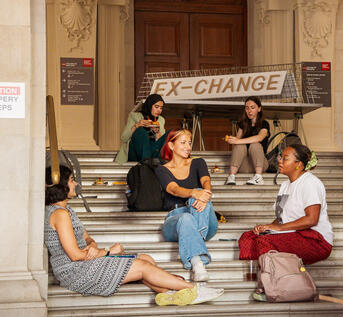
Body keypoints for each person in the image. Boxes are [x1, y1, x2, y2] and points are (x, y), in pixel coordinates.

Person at [45, 165, 222, 306]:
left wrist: (91, 247)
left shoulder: (67, 210)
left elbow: (88, 238)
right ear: (61, 185)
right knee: (142, 267)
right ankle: (194, 289)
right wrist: (108, 252)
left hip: (88, 261)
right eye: (71, 180)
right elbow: (75, 255)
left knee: (146, 258)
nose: (75, 184)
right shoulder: (59, 214)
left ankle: (170, 294)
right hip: (75, 271)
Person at [238, 144, 333, 266]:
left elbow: (312, 219)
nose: (279, 161)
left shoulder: (310, 183)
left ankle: (276, 280)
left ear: (299, 164)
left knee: (264, 242)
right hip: (291, 233)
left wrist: (278, 228)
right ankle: (264, 276)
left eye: (285, 158)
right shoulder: (285, 185)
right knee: (248, 237)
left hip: (315, 239)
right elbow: (281, 219)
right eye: (280, 157)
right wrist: (267, 227)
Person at [155, 129, 219, 283]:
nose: (188, 147)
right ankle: (198, 264)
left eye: (189, 143)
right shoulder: (162, 169)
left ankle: (194, 241)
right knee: (186, 217)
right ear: (171, 145)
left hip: (203, 215)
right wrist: (194, 193)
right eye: (183, 143)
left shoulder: (198, 162)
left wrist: (205, 195)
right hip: (176, 219)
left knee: (198, 192)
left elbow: (206, 182)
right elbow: (173, 189)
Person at [224, 97, 271, 185]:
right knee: (239, 145)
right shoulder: (243, 124)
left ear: (259, 109)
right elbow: (237, 143)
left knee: (255, 145)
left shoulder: (264, 124)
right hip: (244, 165)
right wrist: (234, 141)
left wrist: (238, 141)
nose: (249, 111)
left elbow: (260, 137)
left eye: (252, 108)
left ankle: (258, 177)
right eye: (247, 108)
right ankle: (231, 176)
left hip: (260, 164)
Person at [115, 94, 167, 164]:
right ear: (149, 105)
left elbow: (163, 142)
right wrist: (137, 125)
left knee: (168, 135)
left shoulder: (161, 120)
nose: (159, 110)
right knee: (141, 131)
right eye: (156, 107)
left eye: (161, 108)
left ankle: (148, 161)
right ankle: (146, 162)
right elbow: (124, 138)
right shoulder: (134, 116)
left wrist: (158, 133)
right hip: (135, 152)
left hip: (152, 152)